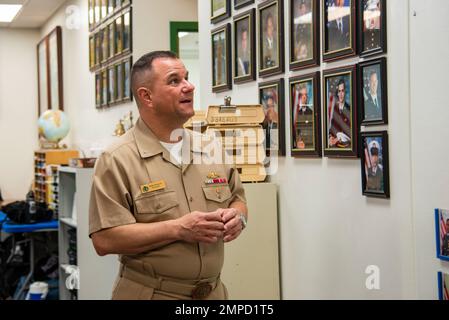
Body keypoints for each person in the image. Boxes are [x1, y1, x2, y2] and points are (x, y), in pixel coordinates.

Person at [89, 51, 248, 300]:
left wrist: (239, 218)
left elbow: (238, 198)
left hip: (213, 293)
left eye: (187, 78)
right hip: (152, 294)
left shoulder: (210, 147)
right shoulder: (117, 158)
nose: (189, 86)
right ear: (146, 96)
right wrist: (178, 229)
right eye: (175, 81)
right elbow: (104, 239)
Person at [328, 79, 351, 148]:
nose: (340, 94)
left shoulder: (349, 109)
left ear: (345, 92)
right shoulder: (333, 110)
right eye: (339, 91)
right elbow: (331, 128)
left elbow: (350, 132)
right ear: (337, 93)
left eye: (342, 91)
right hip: (335, 148)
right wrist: (330, 137)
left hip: (346, 147)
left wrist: (338, 139)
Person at [293, 84, 313, 149]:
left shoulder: (311, 112)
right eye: (302, 95)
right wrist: (298, 141)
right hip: (298, 147)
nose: (304, 97)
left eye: (306, 95)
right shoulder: (295, 113)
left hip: (310, 146)